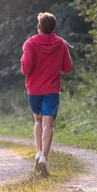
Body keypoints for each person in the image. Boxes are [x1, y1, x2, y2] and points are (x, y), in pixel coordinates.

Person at [21, 12, 72, 177]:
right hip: (51, 89)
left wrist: (26, 70)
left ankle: (38, 151)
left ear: (38, 27)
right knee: (48, 124)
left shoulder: (30, 42)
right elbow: (67, 67)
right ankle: (44, 157)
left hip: (34, 90)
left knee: (38, 120)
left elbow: (26, 64)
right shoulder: (61, 44)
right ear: (53, 27)